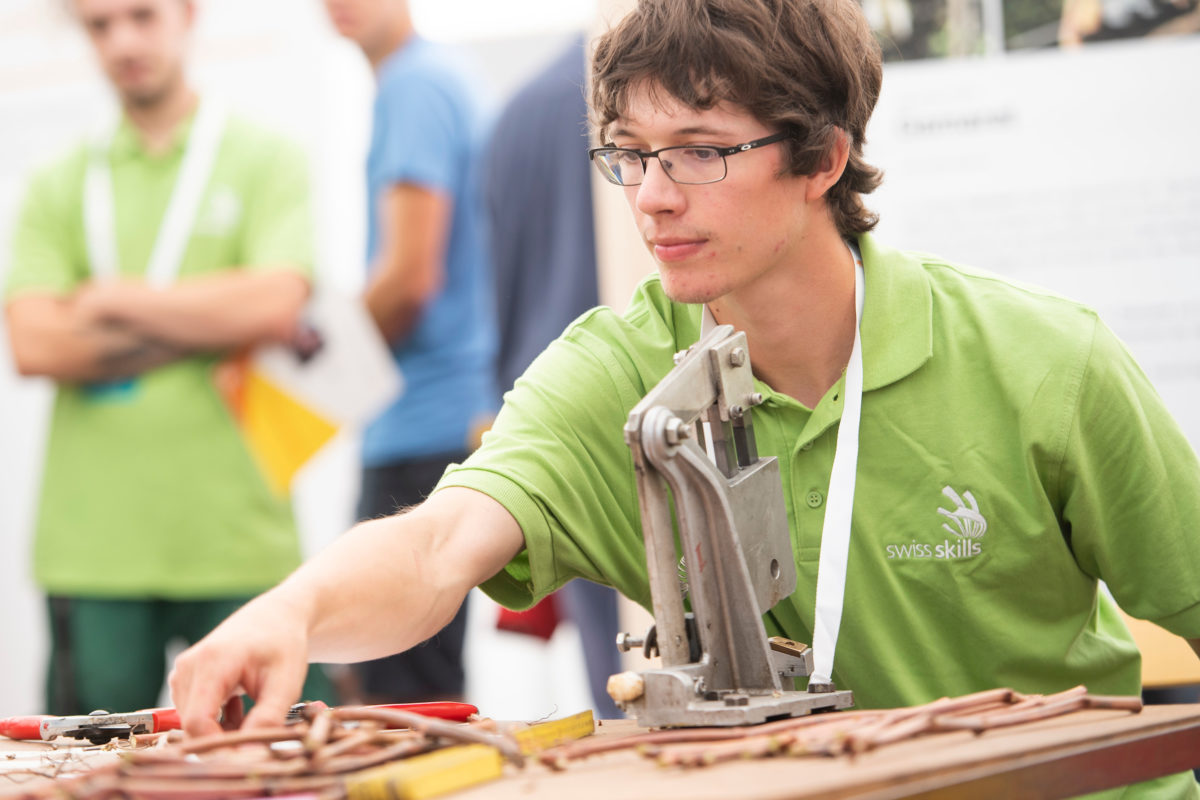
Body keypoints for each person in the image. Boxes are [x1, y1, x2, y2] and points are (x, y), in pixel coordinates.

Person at [172, 0, 1200, 794]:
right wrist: (292, 611)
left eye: (701, 150)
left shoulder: (1044, 365)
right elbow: (441, 543)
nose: (653, 194)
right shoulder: (618, 370)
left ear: (822, 158)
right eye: (631, 152)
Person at [4, 0, 333, 714]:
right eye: (99, 24)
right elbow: (34, 343)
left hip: (240, 537)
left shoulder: (264, 157)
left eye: (142, 15)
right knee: (85, 777)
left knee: (280, 766)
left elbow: (276, 303)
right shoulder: (57, 181)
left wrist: (113, 299)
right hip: (93, 550)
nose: (123, 39)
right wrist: (211, 319)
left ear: (187, 14)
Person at [320, 0, 496, 705]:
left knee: (402, 708)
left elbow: (407, 280)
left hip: (420, 429)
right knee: (419, 691)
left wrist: (305, 386)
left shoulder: (413, 86)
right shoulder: (439, 80)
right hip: (440, 423)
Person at [482, 36, 621, 719]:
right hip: (653, 404)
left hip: (551, 426)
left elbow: (499, 300)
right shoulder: (686, 92)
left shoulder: (520, 110)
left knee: (618, 668)